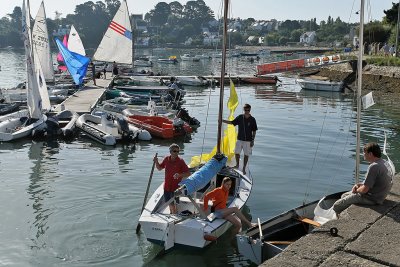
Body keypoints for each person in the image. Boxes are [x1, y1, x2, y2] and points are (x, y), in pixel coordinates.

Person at [332, 142, 394, 216]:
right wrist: (359, 185)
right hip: (380, 195)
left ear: (370, 154)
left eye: (364, 153)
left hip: (372, 198)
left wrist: (355, 190)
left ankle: (338, 219)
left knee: (337, 205)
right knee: (344, 195)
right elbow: (375, 181)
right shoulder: (384, 162)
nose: (363, 154)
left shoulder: (374, 166)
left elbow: (364, 190)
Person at [154, 144, 190, 214]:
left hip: (176, 188)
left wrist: (179, 175)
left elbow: (188, 173)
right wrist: (156, 161)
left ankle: (174, 215)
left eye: (178, 151)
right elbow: (159, 168)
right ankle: (172, 214)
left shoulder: (181, 161)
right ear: (170, 151)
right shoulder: (166, 159)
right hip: (167, 186)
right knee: (169, 203)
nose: (176, 153)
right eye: (174, 151)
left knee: (174, 204)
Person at [222, 103, 258, 175]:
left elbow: (254, 130)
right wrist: (222, 120)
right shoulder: (240, 117)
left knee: (246, 155)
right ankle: (237, 165)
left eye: (248, 110)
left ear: (250, 110)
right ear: (243, 110)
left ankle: (244, 168)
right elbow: (232, 122)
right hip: (239, 139)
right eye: (245, 110)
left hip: (248, 140)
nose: (246, 111)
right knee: (237, 153)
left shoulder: (252, 119)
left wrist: (253, 140)